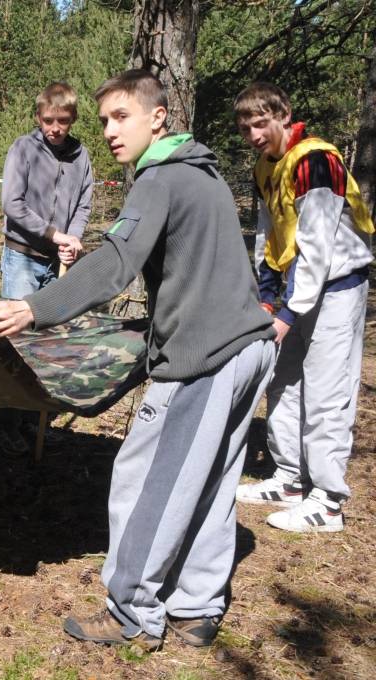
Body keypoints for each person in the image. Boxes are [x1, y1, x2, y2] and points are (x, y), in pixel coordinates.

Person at [0, 70, 276, 651]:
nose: (109, 131)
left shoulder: (159, 179)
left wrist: (34, 308)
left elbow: (114, 262)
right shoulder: (202, 171)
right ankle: (196, 607)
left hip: (205, 357)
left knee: (145, 477)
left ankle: (131, 607)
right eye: (105, 119)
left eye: (121, 117)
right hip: (251, 348)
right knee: (210, 484)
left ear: (157, 117)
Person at [232, 82, 373, 533]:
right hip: (294, 290)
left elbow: (318, 244)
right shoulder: (265, 166)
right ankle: (289, 477)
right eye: (245, 127)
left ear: (283, 115)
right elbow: (270, 234)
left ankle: (328, 500)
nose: (254, 134)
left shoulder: (316, 161)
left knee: (328, 390)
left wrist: (289, 312)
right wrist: (268, 296)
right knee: (284, 382)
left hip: (334, 287)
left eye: (260, 123)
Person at [0, 81, 94, 452]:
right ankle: (5, 425)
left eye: (62, 121)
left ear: (72, 120)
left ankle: (34, 421)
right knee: (15, 342)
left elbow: (84, 202)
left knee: (48, 344)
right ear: (38, 117)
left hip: (57, 262)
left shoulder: (80, 156)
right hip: (22, 256)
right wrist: (56, 235)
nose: (54, 127)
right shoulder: (23, 149)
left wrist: (74, 238)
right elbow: (12, 205)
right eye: (48, 120)